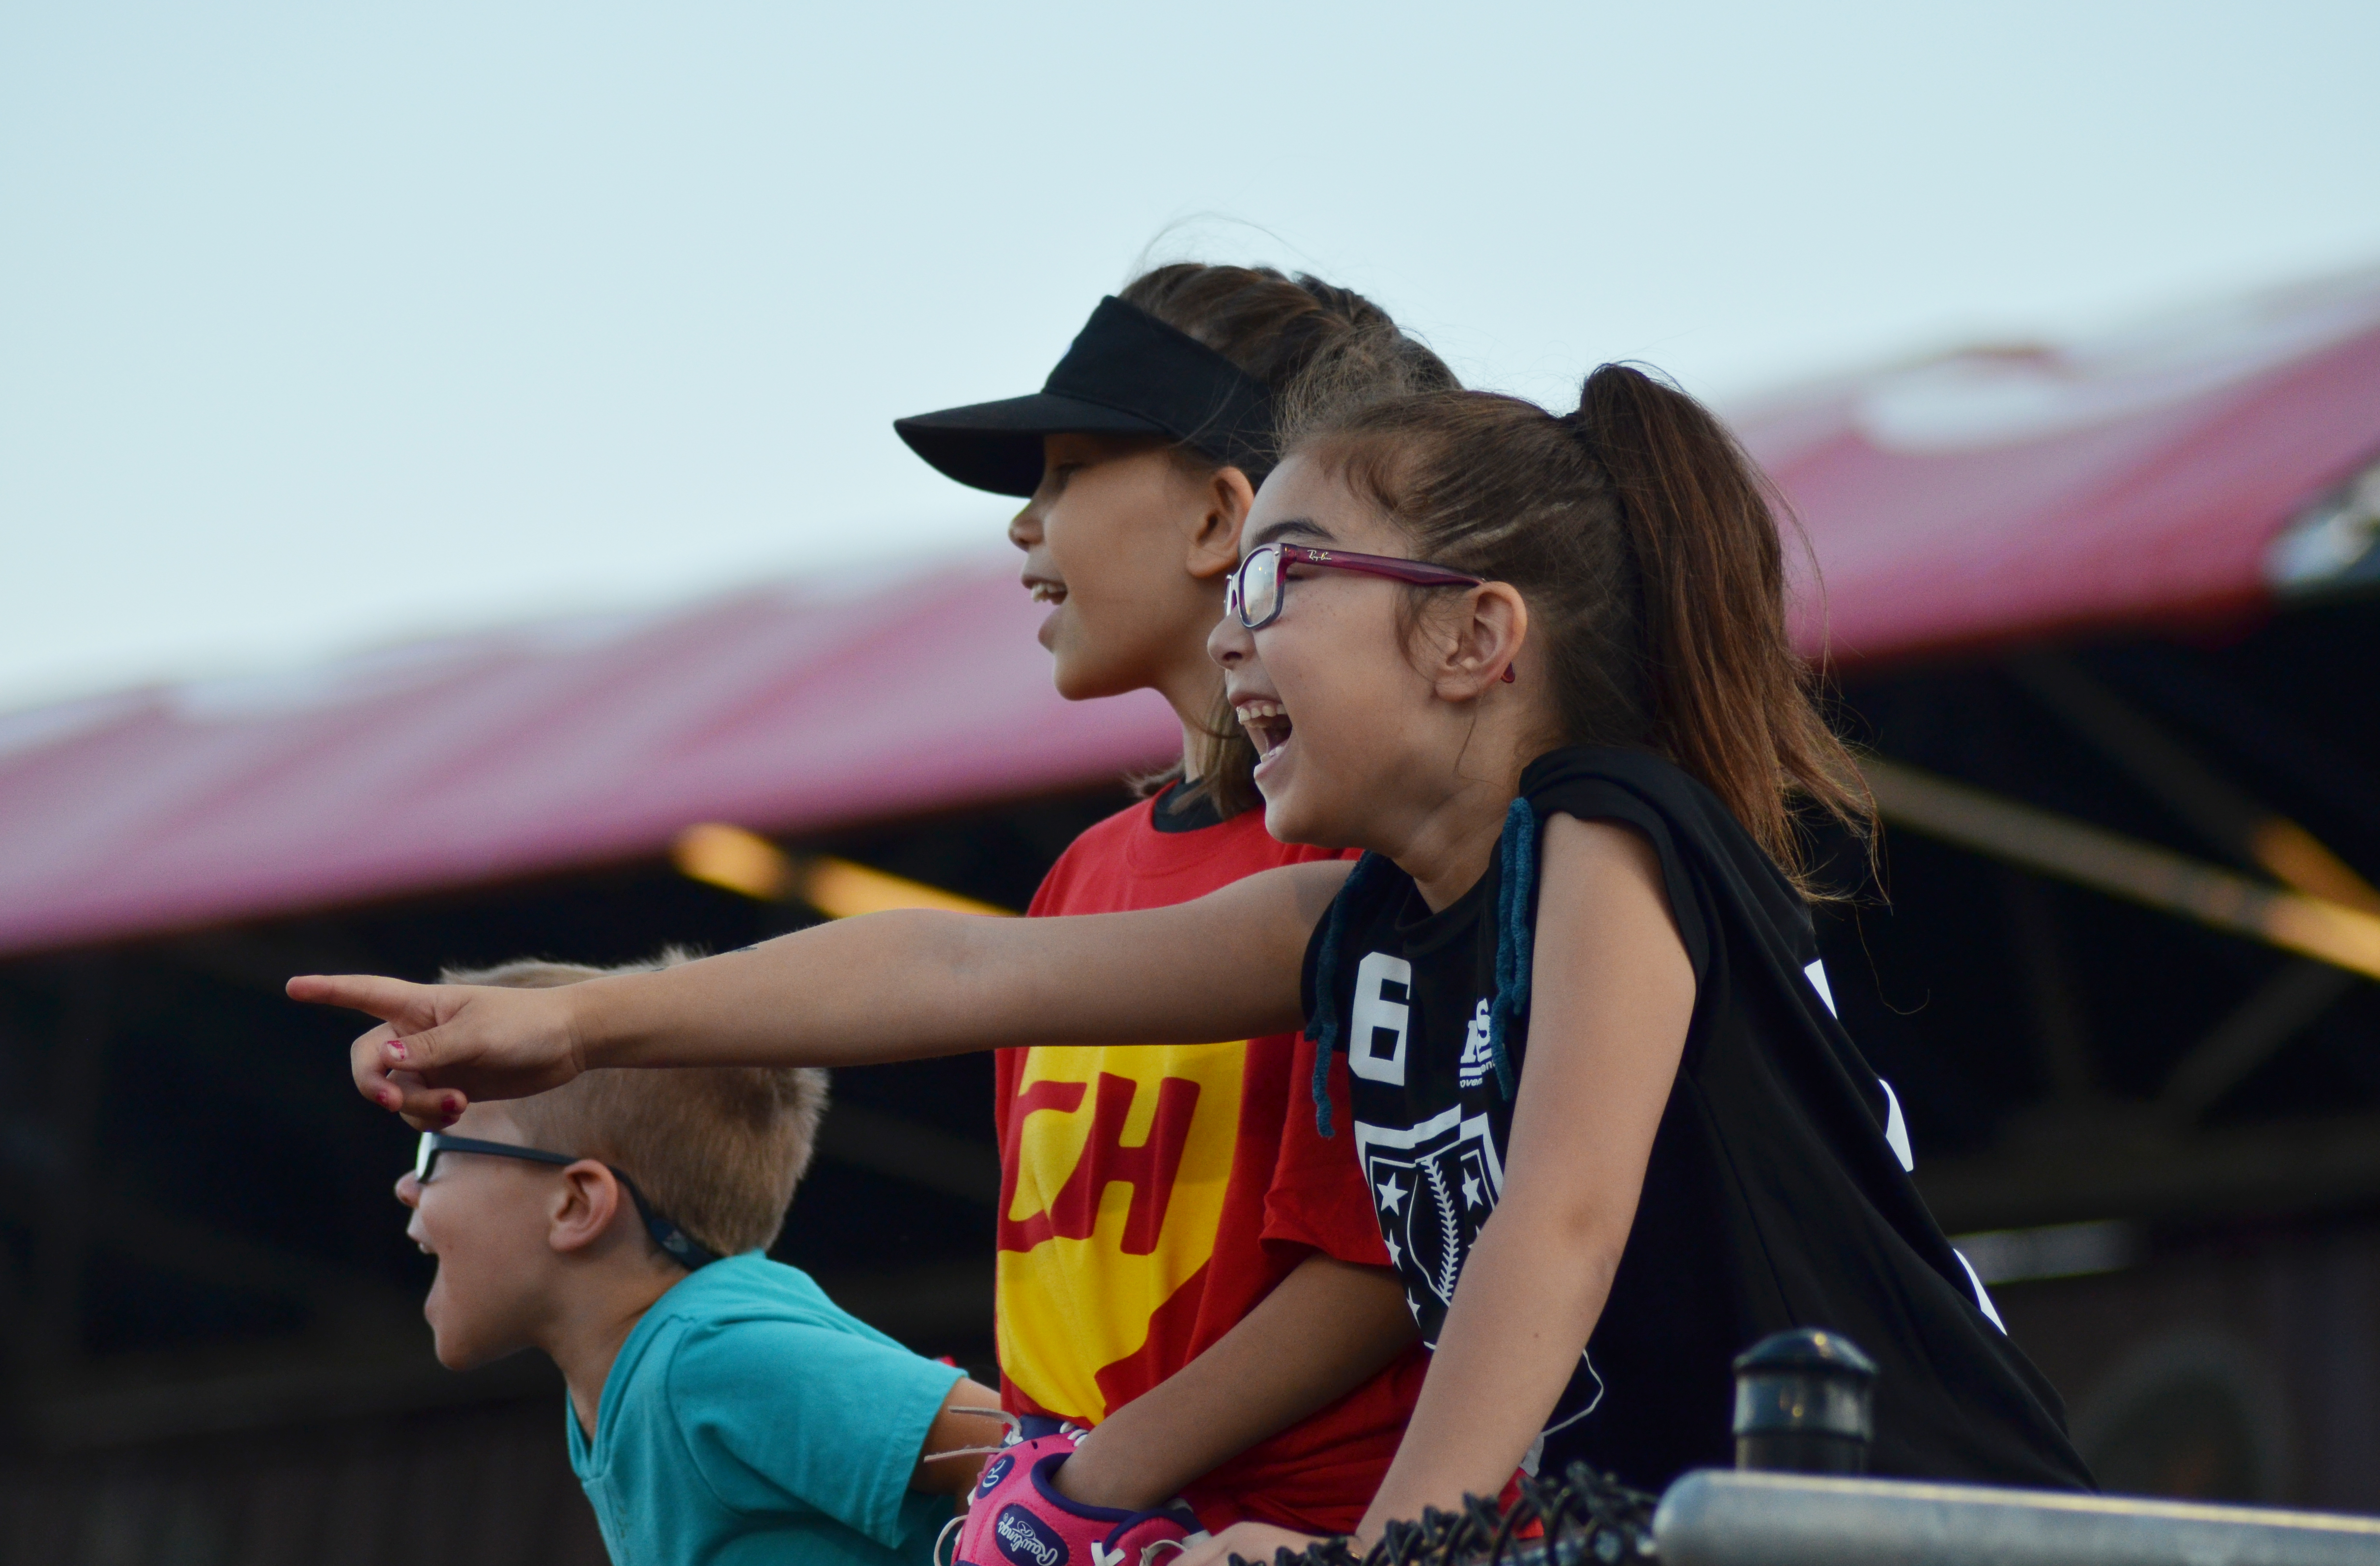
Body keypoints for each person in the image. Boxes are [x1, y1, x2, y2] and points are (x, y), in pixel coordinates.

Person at [306, 363, 2094, 1562]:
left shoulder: (1608, 831)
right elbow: (963, 982)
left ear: (1475, 636)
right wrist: (573, 1021)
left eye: (1282, 579)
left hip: (1904, 1514)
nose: (1234, 630)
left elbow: (1550, 1224)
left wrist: (1390, 1549)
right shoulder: (1368, 923)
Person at [884, 265, 1457, 1536]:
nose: (1024, 525)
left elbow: (1386, 1256)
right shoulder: (1079, 877)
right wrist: (1038, 1464)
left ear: (1219, 519)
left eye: (1063, 472)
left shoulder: (1380, 854)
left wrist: (1087, 1485)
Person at [394, 953, 1020, 1566]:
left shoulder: (707, 1357)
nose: (407, 1186)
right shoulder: (628, 1389)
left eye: (436, 1151)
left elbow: (1021, 1452)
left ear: (576, 1204)